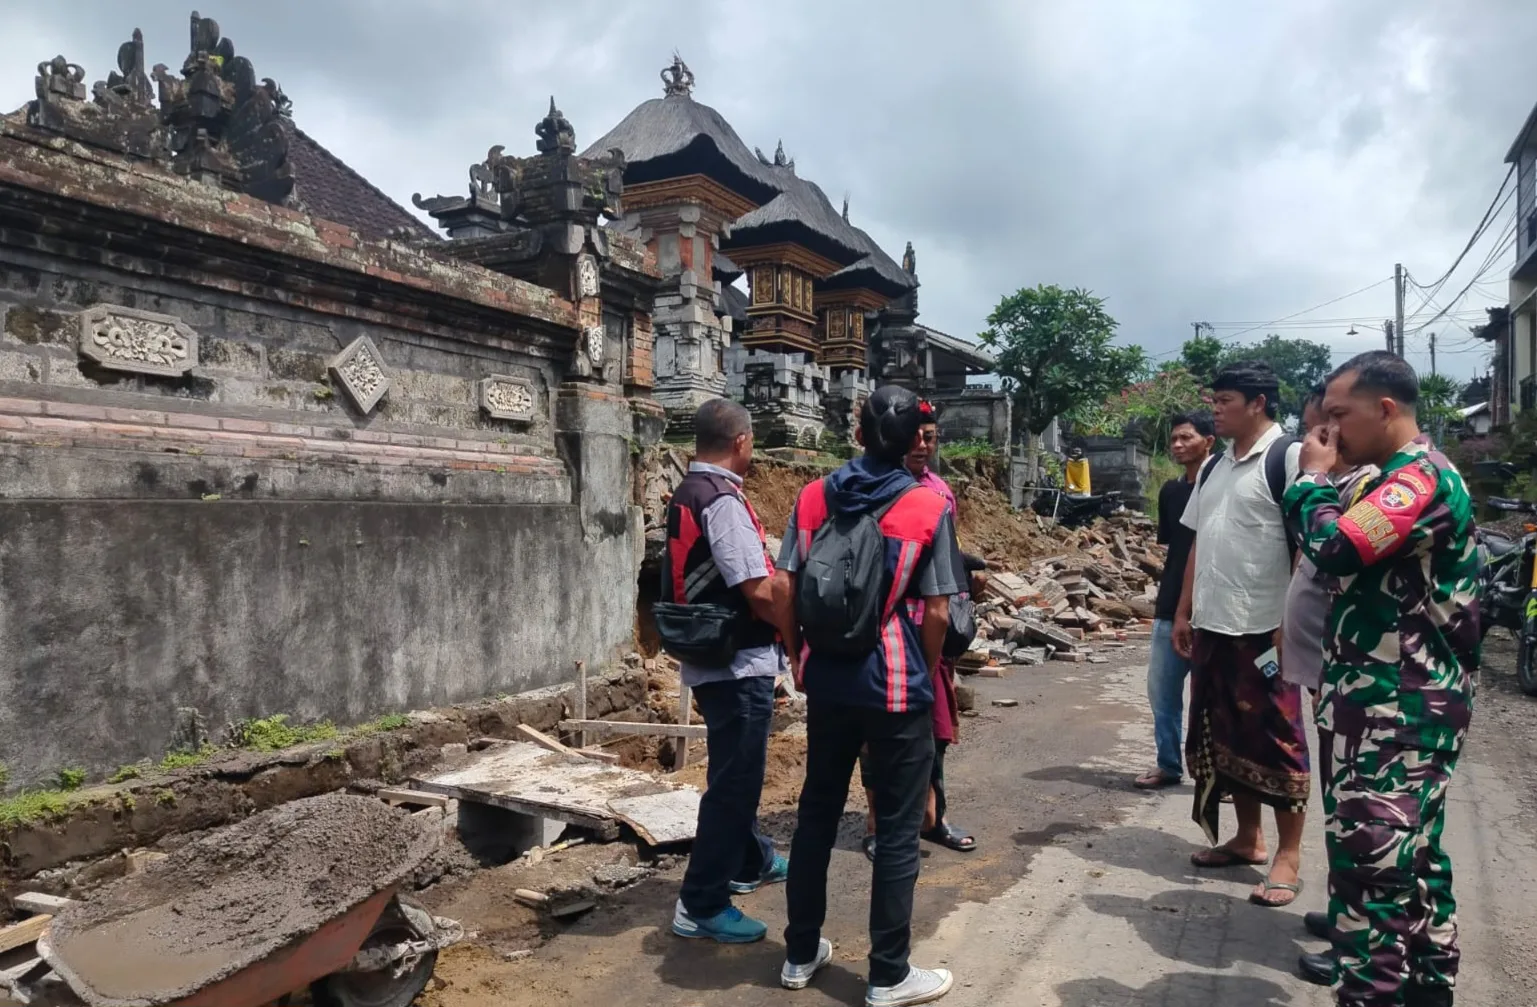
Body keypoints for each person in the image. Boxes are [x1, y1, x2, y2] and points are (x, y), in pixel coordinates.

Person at [1286, 352, 1477, 1007]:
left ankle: (1374, 995)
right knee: (1411, 859)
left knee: (1372, 866)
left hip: (1393, 710)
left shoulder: (1413, 481)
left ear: (1384, 409)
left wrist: (1308, 483)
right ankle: (1428, 986)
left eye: (1339, 415)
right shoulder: (1398, 476)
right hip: (1385, 706)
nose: (1329, 430)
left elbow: (1336, 548)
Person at [776, 385, 964, 1006]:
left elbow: (784, 588)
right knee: (900, 827)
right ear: (918, 440)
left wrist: (799, 655)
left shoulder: (810, 497)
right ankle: (887, 974)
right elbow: (937, 609)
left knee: (817, 813)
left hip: (827, 678)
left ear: (857, 434)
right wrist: (926, 665)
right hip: (894, 684)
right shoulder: (926, 507)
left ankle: (800, 953)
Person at [1173, 360, 1311, 908]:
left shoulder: (1290, 458)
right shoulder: (1213, 468)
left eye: (1224, 399)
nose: (1215, 408)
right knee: (1223, 733)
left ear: (1258, 402)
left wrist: (1293, 622)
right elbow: (1197, 543)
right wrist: (1185, 612)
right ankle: (1247, 838)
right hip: (1213, 624)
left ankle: (1289, 855)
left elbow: (1310, 545)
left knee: (1280, 741)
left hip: (1265, 632)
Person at [665, 398, 795, 944]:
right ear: (741, 442)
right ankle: (701, 903)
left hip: (711, 655)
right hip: (738, 663)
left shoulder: (688, 492)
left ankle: (752, 859)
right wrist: (797, 634)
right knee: (734, 785)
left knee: (732, 774)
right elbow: (760, 592)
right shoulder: (721, 500)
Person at [1281, 385, 1380, 980]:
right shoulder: (1345, 486)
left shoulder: (1376, 488)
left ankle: (1363, 945)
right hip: (1335, 675)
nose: (1317, 442)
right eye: (1316, 430)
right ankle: (1349, 916)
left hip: (1372, 687)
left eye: (1328, 427)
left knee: (1367, 819)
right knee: (1343, 808)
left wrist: (1310, 480)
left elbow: (1335, 550)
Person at [859, 401, 979, 857]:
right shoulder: (869, 488)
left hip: (927, 632)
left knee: (934, 729)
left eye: (930, 438)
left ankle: (932, 814)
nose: (923, 446)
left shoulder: (941, 493)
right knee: (875, 733)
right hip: (880, 630)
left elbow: (945, 566)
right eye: (916, 437)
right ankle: (875, 821)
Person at [1134, 411, 1216, 790]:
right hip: (1171, 606)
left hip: (1215, 607)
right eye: (1175, 439)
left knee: (1212, 699)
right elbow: (1175, 550)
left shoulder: (1222, 487)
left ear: (1209, 441)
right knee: (1162, 692)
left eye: (1187, 438)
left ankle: (1219, 775)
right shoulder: (1171, 492)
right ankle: (1168, 764)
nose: (1179, 445)